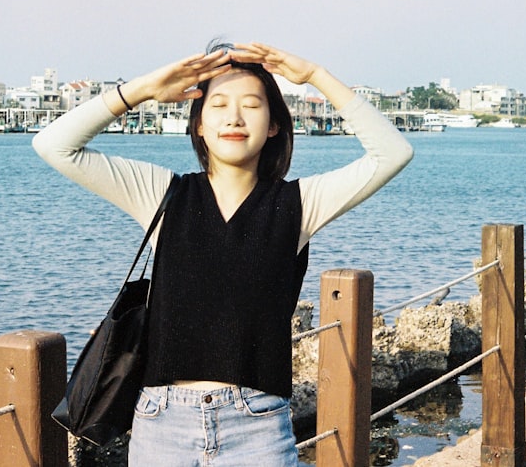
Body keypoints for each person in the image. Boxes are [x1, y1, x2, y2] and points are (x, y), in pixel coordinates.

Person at [32, 41, 413, 466]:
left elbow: (392, 152)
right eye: (218, 105)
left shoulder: (299, 205)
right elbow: (55, 145)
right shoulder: (163, 194)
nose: (234, 117)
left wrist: (315, 76)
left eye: (251, 105)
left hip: (258, 426)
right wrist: (142, 90)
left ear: (273, 125)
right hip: (163, 425)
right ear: (198, 125)